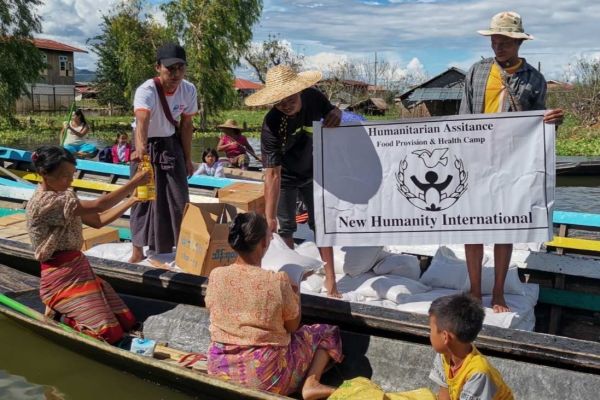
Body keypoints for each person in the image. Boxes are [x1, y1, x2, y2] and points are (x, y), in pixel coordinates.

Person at [461, 11, 564, 312]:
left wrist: (552, 122)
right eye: (495, 41)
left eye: (505, 42)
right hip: (477, 161)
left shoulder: (534, 79)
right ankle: (474, 290)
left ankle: (498, 293)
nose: (498, 47)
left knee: (504, 228)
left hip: (512, 164)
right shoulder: (477, 72)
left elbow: (539, 124)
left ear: (519, 43)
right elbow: (463, 116)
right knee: (473, 227)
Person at [205, 212, 343, 400]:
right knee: (327, 332)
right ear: (264, 243)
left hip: (218, 369)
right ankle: (312, 383)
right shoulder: (277, 281)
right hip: (264, 378)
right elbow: (292, 327)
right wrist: (295, 288)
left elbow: (212, 310)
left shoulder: (216, 275)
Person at [26, 145, 149, 343]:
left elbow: (98, 220)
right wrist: (134, 182)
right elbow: (100, 205)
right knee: (108, 334)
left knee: (127, 321)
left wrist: (133, 199)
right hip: (60, 277)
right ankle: (60, 314)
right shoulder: (45, 203)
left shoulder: (65, 196)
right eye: (65, 176)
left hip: (78, 268)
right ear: (44, 174)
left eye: (72, 175)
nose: (70, 180)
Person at [245, 65, 342, 297]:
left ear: (299, 91)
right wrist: (269, 217)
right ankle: (292, 281)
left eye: (290, 98)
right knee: (286, 226)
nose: (286, 104)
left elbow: (333, 113)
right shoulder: (271, 125)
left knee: (321, 225)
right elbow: (272, 174)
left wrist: (337, 112)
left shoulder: (314, 98)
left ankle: (331, 280)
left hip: (314, 171)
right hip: (286, 176)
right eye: (279, 102)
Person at [129, 42, 198, 263]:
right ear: (158, 67)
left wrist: (187, 159)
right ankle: (137, 251)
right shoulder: (146, 90)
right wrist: (141, 152)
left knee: (179, 198)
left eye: (180, 68)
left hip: (170, 144)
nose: (176, 74)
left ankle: (180, 250)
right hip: (146, 144)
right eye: (170, 68)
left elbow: (186, 125)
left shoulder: (189, 90)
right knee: (142, 198)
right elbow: (142, 121)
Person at [428, 294, 514, 400]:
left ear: (445, 337)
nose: (430, 334)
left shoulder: (478, 373)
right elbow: (444, 396)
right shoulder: (445, 355)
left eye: (431, 330)